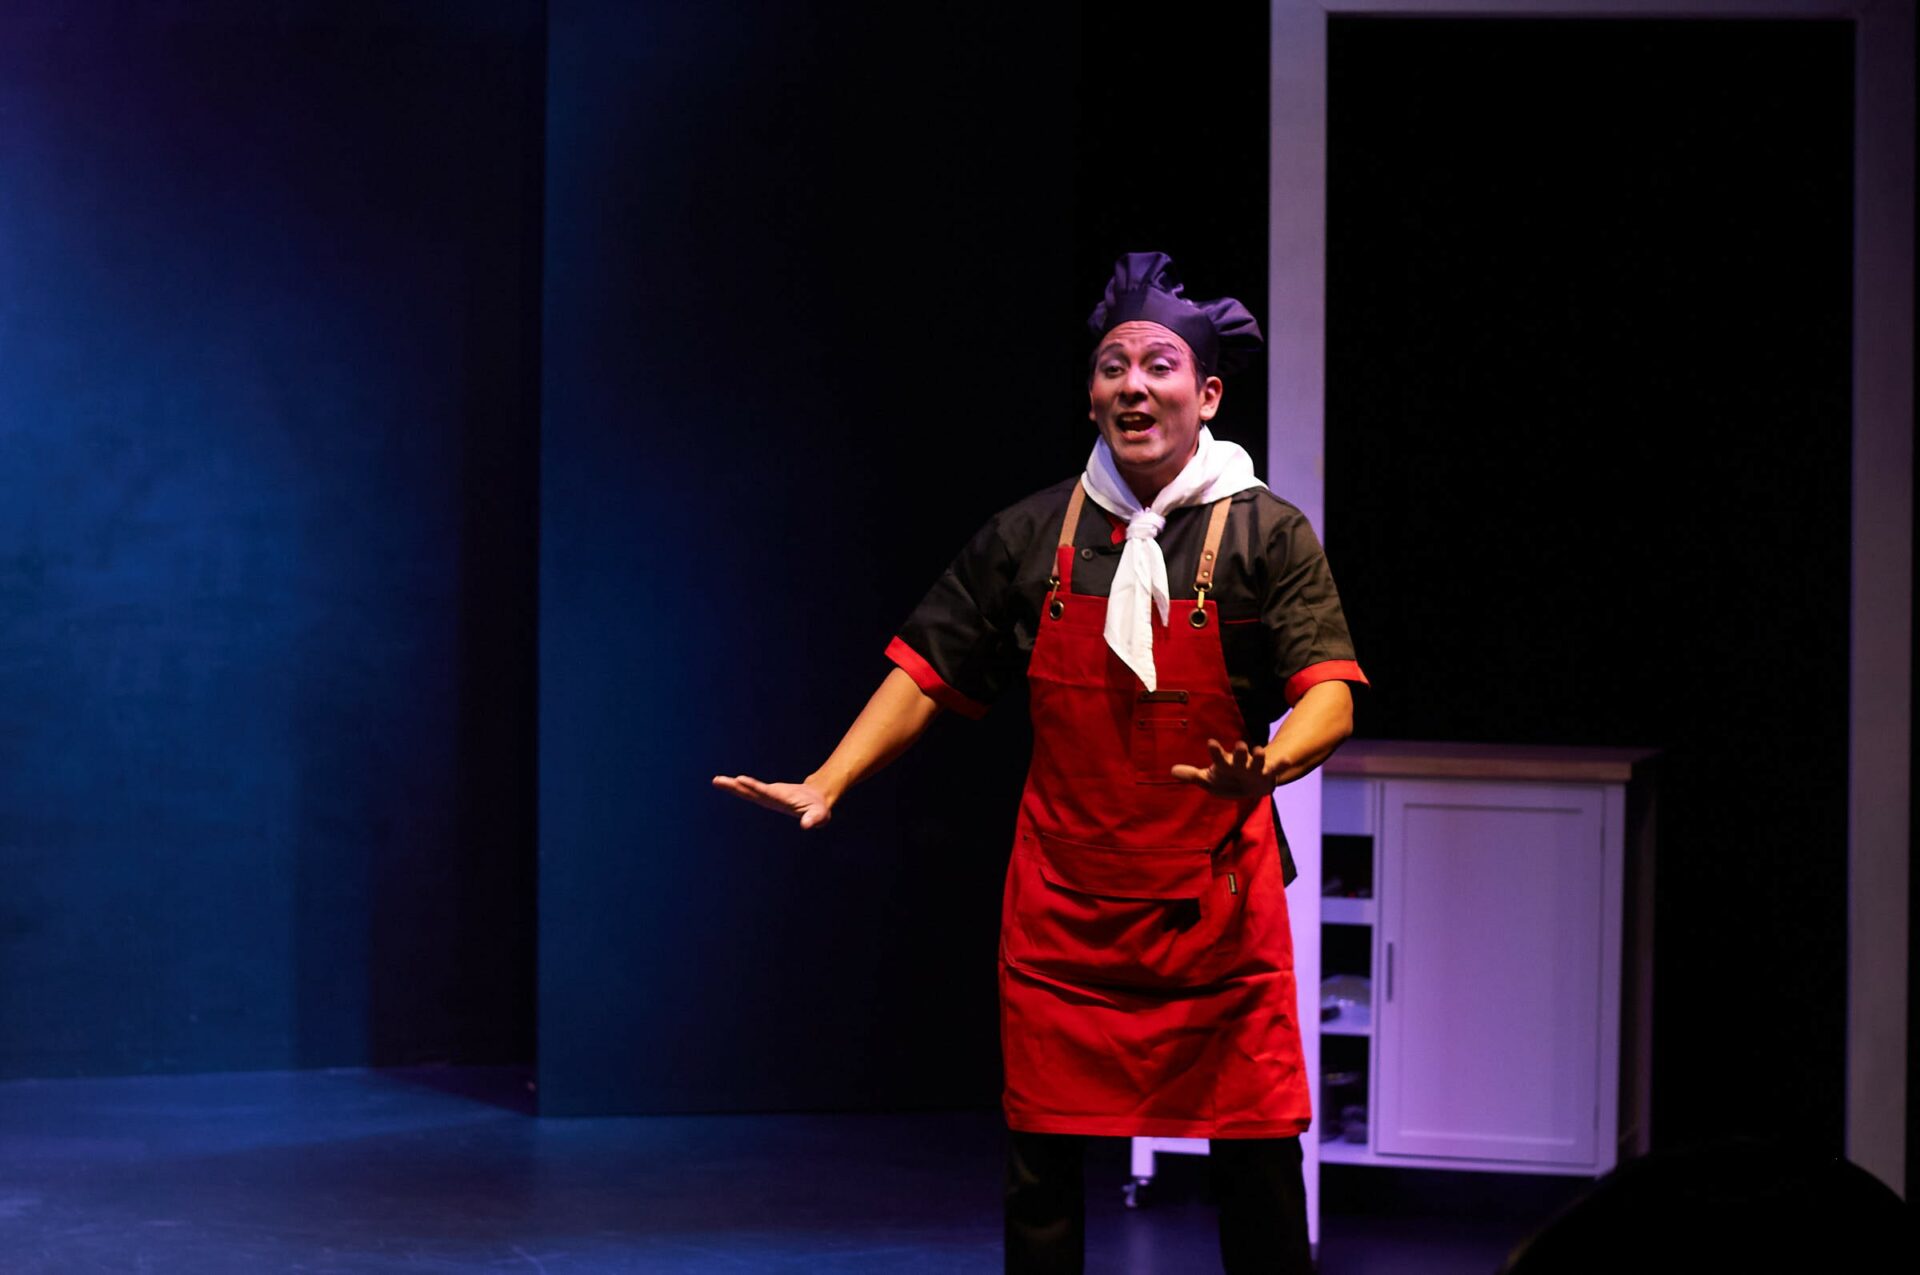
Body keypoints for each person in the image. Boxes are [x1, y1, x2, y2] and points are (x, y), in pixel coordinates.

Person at [713, 251, 1367, 1274]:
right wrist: (829, 778)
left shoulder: (1266, 533)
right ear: (1092, 392)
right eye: (1113, 366)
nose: (1132, 387)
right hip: (1066, 912)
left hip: (1216, 916)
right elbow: (928, 667)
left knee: (1257, 1167)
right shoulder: (1030, 533)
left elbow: (1329, 688)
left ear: (1207, 396)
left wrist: (1273, 765)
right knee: (1042, 1177)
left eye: (1158, 366)